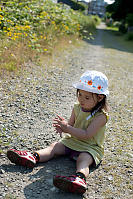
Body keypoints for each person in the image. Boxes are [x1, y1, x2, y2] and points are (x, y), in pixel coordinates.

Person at [7, 70, 109, 194]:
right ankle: (33, 156)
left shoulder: (101, 116)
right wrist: (63, 127)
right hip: (73, 142)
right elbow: (70, 125)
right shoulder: (77, 107)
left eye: (87, 97)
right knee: (54, 147)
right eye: (80, 94)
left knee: (83, 159)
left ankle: (79, 178)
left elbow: (87, 134)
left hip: (90, 147)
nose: (81, 99)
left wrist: (68, 128)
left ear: (100, 97)